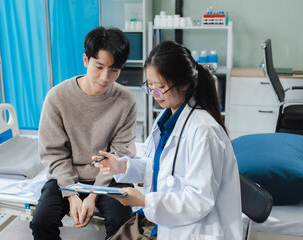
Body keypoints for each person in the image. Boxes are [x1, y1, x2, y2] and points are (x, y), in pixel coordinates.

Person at [93, 41, 243, 240]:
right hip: (163, 222)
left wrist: (145, 200)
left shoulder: (204, 132)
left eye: (160, 87)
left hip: (194, 230)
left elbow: (199, 201)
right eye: (150, 86)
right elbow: (158, 167)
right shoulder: (165, 119)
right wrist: (122, 167)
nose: (155, 94)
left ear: (184, 83)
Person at [30, 26, 137, 240]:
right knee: (41, 223)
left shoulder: (126, 101)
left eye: (114, 69)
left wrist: (94, 195)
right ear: (86, 60)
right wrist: (72, 194)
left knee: (122, 225)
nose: (105, 77)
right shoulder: (57, 98)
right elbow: (54, 154)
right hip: (66, 175)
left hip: (110, 176)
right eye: (99, 66)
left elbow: (119, 155)